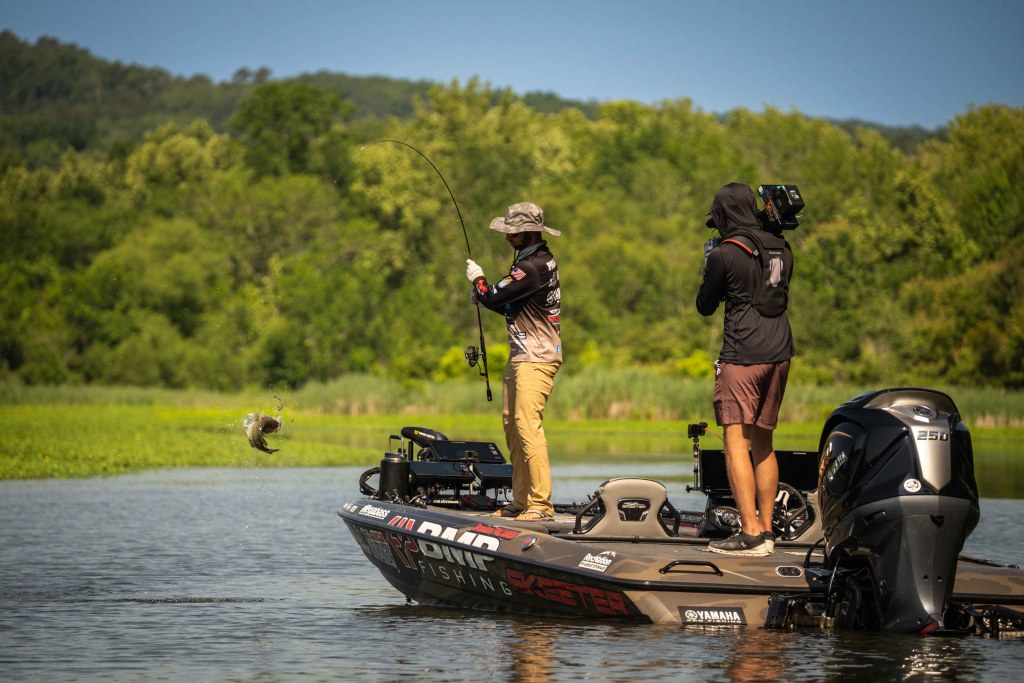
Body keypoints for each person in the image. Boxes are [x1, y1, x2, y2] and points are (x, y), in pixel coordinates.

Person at [696, 183, 795, 556]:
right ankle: (766, 531)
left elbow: (705, 305)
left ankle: (750, 534)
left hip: (742, 355)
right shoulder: (781, 246)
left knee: (736, 444)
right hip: (780, 353)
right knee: (764, 443)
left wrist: (710, 265)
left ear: (723, 215)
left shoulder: (725, 253)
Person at [465, 202, 562, 522]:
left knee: (527, 426)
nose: (507, 236)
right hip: (521, 356)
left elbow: (494, 294)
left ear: (530, 233)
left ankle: (540, 505)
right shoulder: (534, 261)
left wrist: (478, 281)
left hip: (536, 357)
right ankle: (521, 500)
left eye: (513, 232)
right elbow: (506, 300)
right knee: (512, 425)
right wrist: (485, 296)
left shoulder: (532, 266)